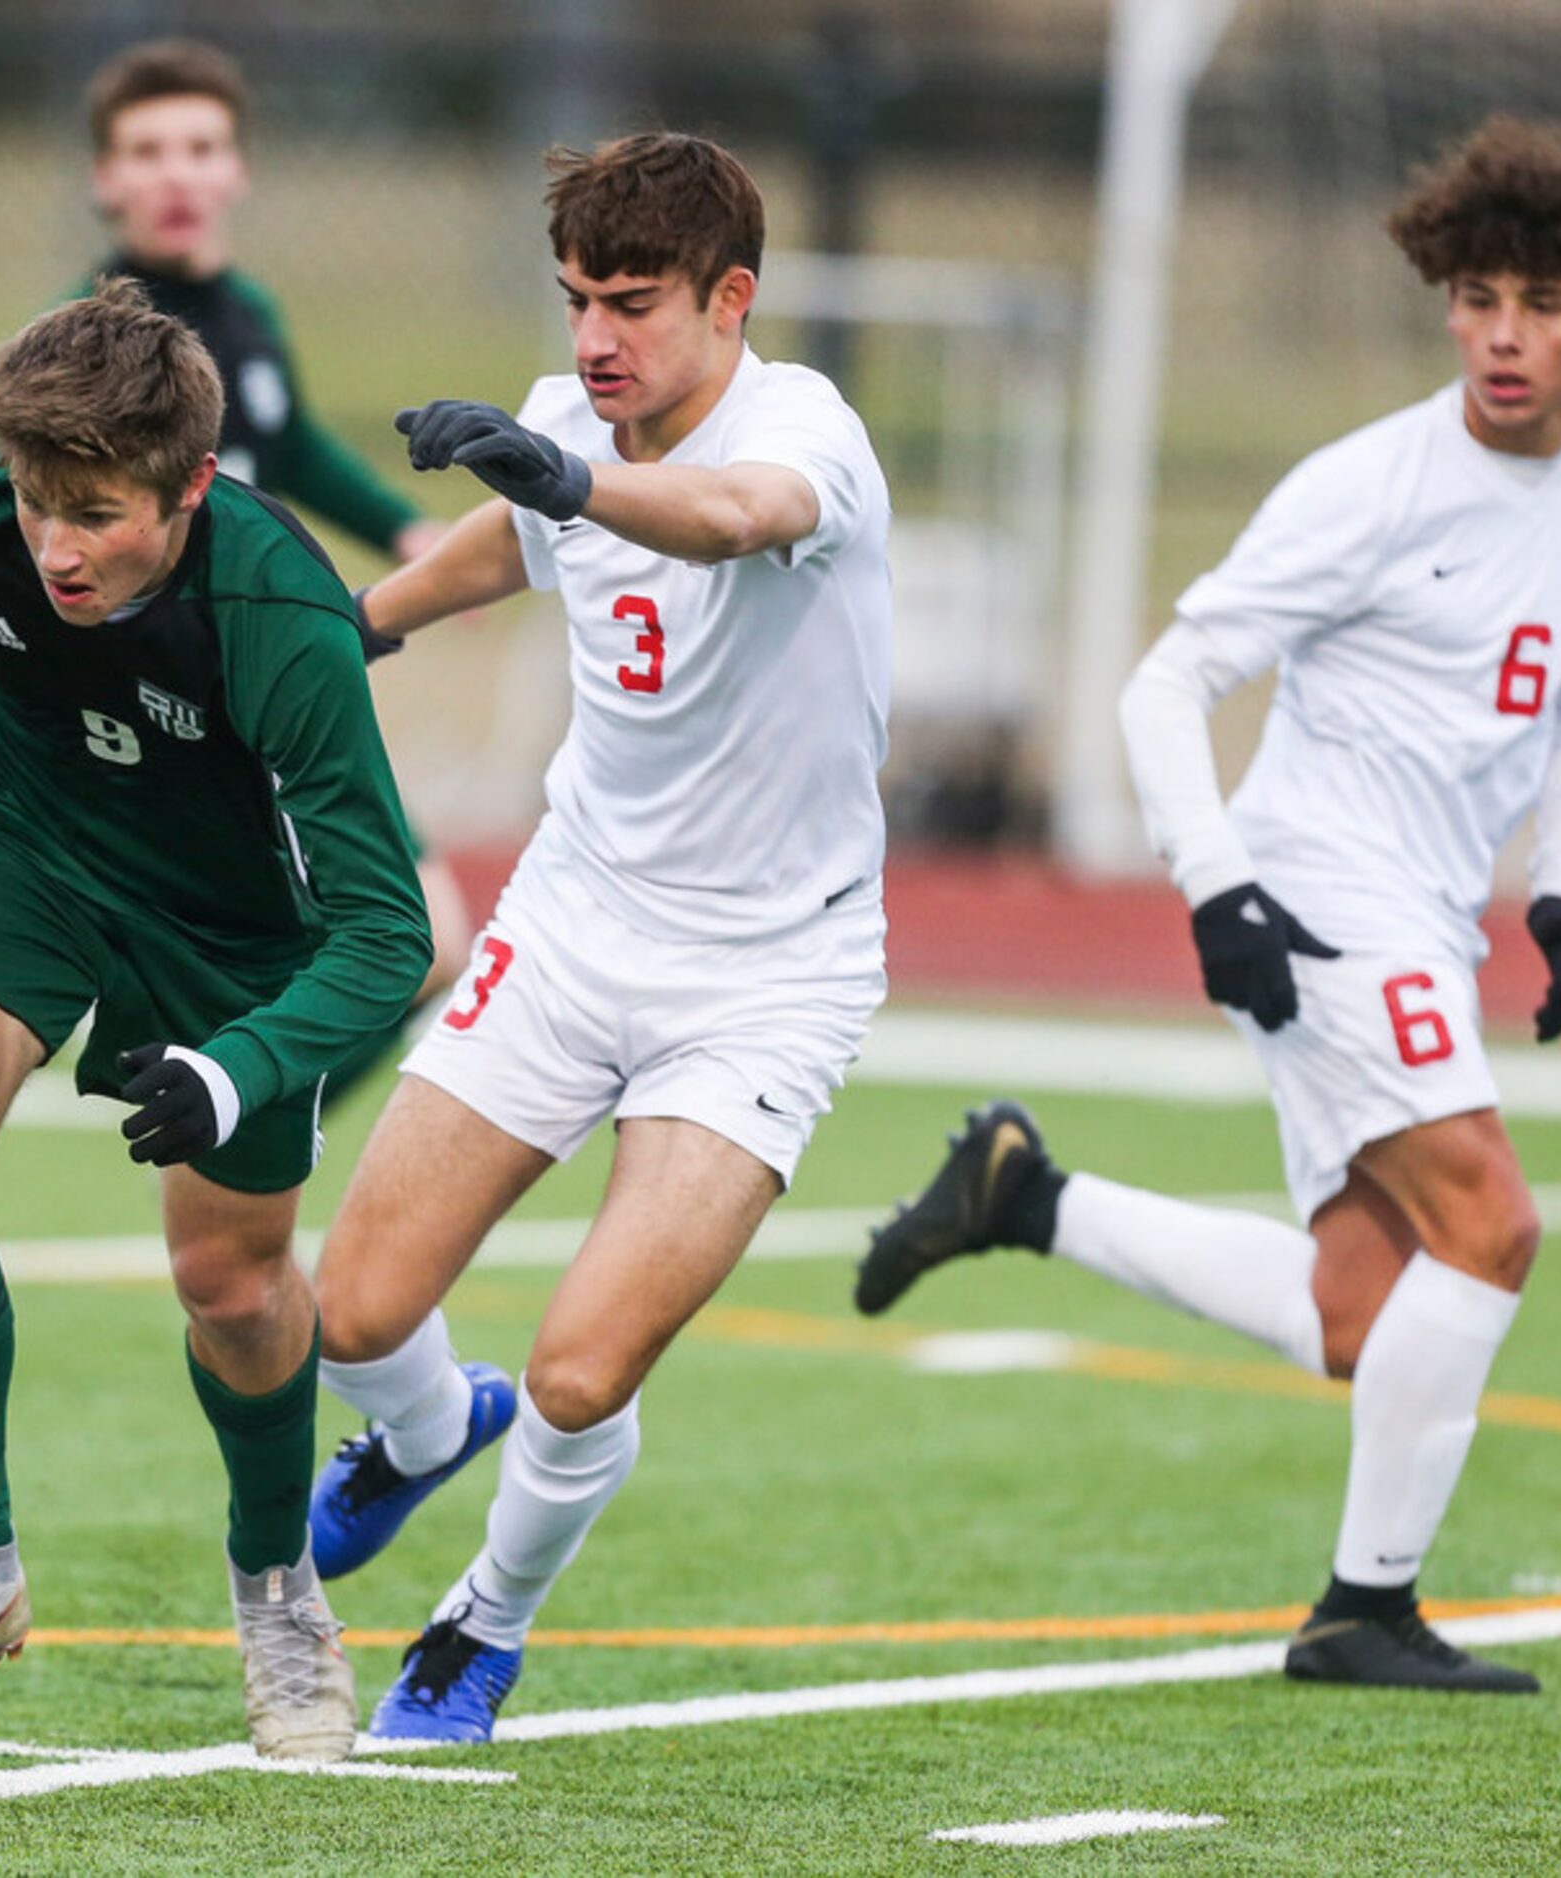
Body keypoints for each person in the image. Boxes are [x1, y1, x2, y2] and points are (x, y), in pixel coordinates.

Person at [854, 116, 1561, 1695]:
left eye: (1542, 304)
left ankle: (1025, 1195)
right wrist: (1217, 887)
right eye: (1476, 296)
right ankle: (1363, 1607)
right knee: (1492, 1224)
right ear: (1443, 298)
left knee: (1364, 1314)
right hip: (1310, 894)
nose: (1503, 335)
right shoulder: (1366, 485)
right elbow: (1169, 682)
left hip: (1431, 911)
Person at [300, 132, 895, 1742]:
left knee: (578, 1367)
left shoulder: (801, 437)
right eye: (573, 300)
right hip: (574, 924)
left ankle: (477, 1626)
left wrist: (557, 466)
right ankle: (422, 1429)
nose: (590, 341)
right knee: (346, 1314)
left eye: (628, 304)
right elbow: (528, 537)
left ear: (732, 298)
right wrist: (359, 625)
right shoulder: (578, 419)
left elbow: (720, 516)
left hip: (766, 976)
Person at [0, 36, 470, 1359]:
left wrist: (402, 530)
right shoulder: (95, 360)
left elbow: (287, 436)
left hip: (241, 718)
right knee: (92, 943)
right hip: (115, 732)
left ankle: (228, 1104)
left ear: (237, 168)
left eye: (200, 147)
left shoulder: (241, 317)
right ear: (103, 180)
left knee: (416, 940)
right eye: (147, 152)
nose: (177, 175)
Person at [0, 280, 432, 1761]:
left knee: (229, 1284)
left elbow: (388, 931)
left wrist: (240, 1066)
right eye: (33, 506)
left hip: (229, 924)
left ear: (193, 484)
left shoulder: (279, 619)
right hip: (16, 837)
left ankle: (278, 1590)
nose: (52, 547)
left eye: (95, 514)